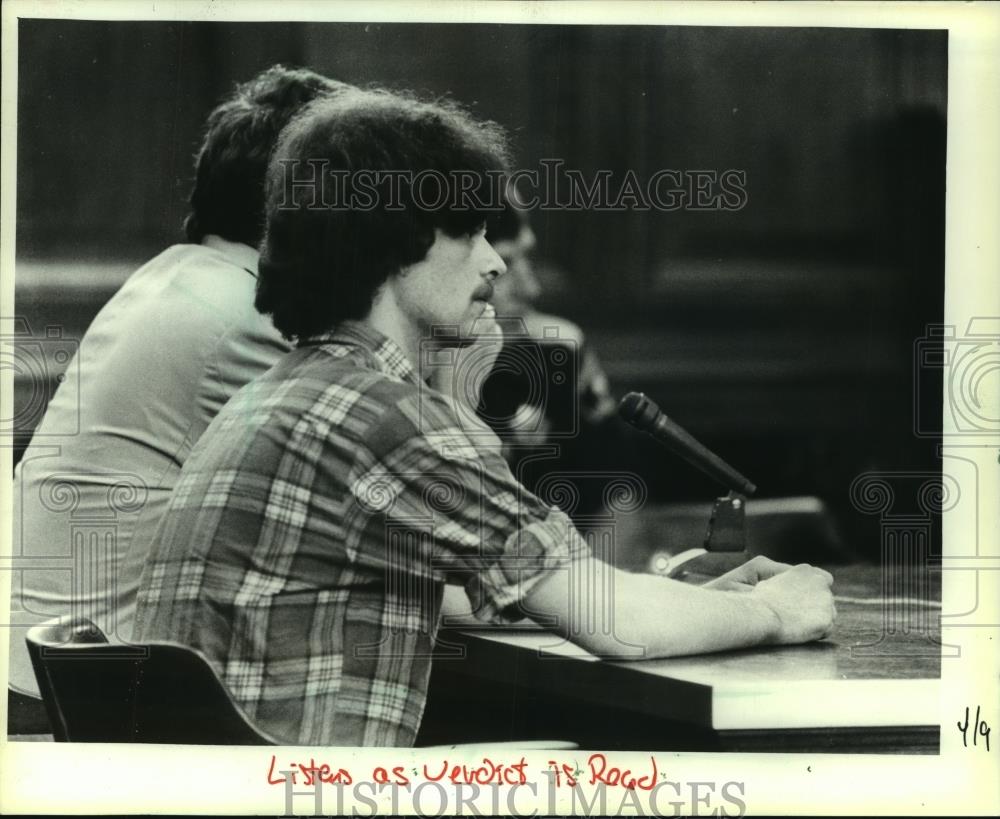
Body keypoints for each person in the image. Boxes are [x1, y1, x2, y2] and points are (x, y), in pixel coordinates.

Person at [133, 86, 837, 747]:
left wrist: (690, 604)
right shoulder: (387, 419)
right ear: (394, 242)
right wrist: (775, 612)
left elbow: (515, 593)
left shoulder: (284, 392)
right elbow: (618, 625)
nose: (495, 260)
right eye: (468, 231)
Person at [7, 66, 349, 717]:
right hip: (86, 705)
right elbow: (373, 522)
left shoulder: (174, 274)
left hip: (41, 675)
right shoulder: (254, 314)